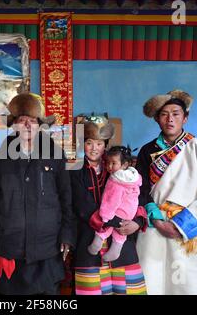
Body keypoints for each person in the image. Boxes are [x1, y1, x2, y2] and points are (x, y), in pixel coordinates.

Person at [0, 92, 76, 295]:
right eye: (22, 121)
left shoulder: (56, 155)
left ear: (40, 125)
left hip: (47, 251)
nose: (28, 126)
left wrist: (67, 235)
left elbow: (67, 201)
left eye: (33, 121)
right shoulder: (1, 158)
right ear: (14, 125)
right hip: (10, 251)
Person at [136, 89, 197, 294]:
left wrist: (180, 225)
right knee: (155, 282)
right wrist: (157, 220)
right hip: (156, 227)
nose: (170, 119)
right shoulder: (146, 151)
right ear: (157, 119)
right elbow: (140, 190)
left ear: (185, 118)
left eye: (176, 114)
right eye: (164, 114)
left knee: (193, 285)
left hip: (193, 230)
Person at [71, 118, 148, 295]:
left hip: (123, 243)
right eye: (89, 143)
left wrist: (136, 221)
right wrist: (119, 222)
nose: (94, 148)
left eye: (99, 143)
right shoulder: (74, 170)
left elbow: (139, 197)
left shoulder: (119, 169)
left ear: (105, 145)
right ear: (83, 144)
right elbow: (82, 206)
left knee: (130, 291)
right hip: (88, 241)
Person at [88, 146, 142, 262]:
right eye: (108, 163)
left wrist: (105, 216)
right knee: (120, 235)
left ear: (125, 164)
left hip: (118, 210)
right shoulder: (134, 177)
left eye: (113, 163)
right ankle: (115, 251)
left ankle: (95, 245)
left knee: (105, 229)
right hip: (130, 214)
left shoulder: (116, 179)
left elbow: (111, 199)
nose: (109, 167)